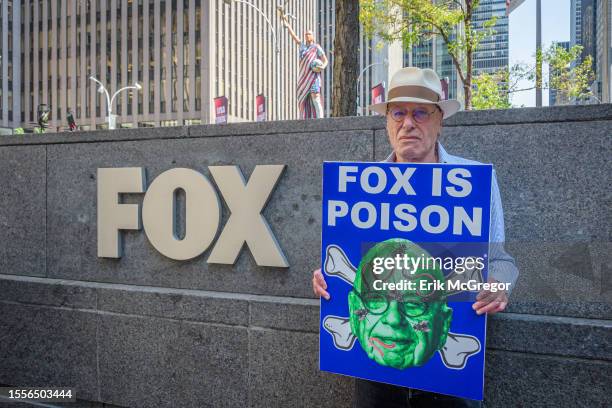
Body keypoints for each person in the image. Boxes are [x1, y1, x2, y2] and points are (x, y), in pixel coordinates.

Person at [312, 67, 519, 408]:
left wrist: (499, 284)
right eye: (399, 113)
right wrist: (325, 283)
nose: (408, 123)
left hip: (447, 381)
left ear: (440, 120)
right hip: (376, 372)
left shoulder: (474, 181)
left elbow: (501, 260)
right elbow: (347, 265)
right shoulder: (358, 186)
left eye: (421, 112)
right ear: (387, 123)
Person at [281, 15, 328, 119]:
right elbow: (294, 36)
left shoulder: (316, 47)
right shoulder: (302, 46)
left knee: (315, 97)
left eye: (309, 34)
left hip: (313, 77)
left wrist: (322, 67)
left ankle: (320, 118)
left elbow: (325, 60)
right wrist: (287, 24)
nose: (307, 35)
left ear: (313, 36)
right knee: (303, 100)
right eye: (306, 34)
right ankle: (304, 119)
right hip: (303, 77)